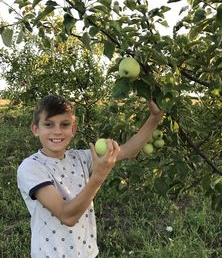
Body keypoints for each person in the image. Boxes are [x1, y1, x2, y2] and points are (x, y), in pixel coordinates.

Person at [17, 94, 163, 258]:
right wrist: (99, 175)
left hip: (86, 253)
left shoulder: (80, 158)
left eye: (64, 125)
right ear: (35, 129)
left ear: (73, 129)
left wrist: (155, 118)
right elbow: (67, 216)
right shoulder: (31, 167)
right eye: (49, 124)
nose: (57, 131)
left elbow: (129, 150)